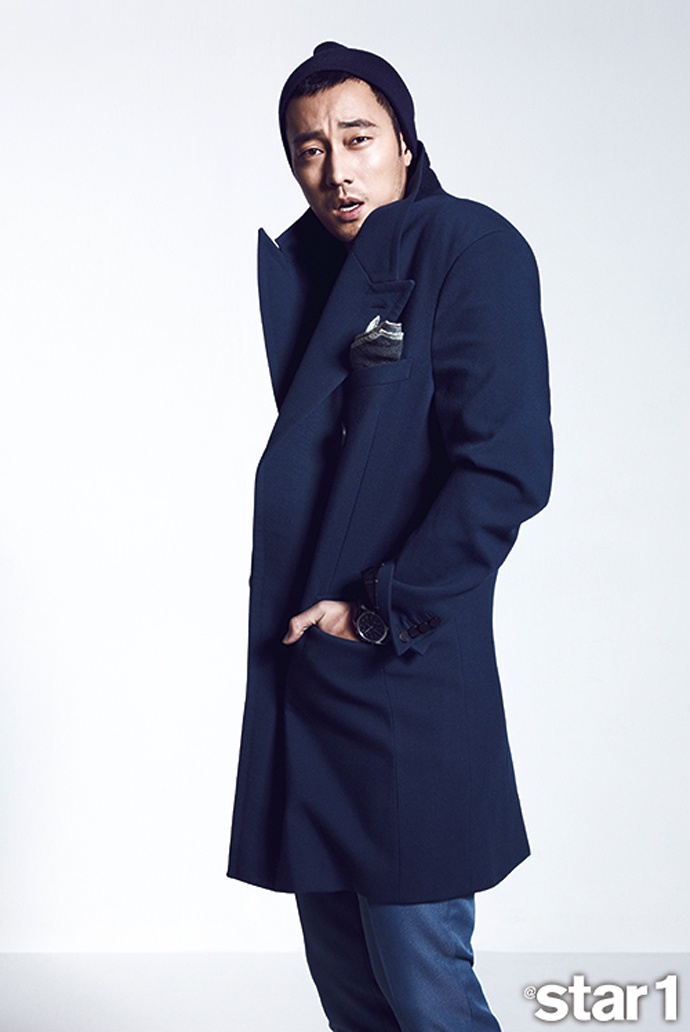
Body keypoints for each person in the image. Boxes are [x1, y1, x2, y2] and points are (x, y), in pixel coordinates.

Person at [228, 41, 553, 1032]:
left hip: (402, 672)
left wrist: (377, 607)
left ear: (405, 143)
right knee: (354, 1000)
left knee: (425, 992)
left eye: (358, 137)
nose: (336, 168)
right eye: (309, 148)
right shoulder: (317, 274)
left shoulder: (469, 247)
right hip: (307, 682)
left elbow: (503, 468)